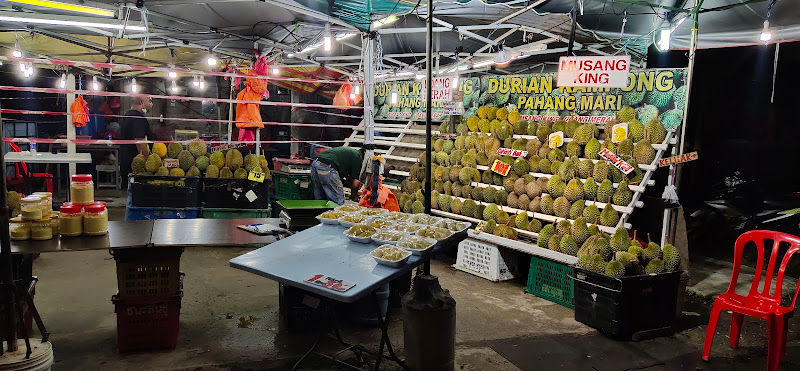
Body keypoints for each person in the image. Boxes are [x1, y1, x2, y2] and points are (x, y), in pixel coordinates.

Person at [119, 96, 155, 179]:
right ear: (141, 102)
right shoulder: (138, 119)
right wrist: (147, 162)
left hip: (125, 164)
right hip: (136, 167)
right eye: (149, 101)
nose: (151, 104)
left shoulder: (126, 116)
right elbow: (140, 142)